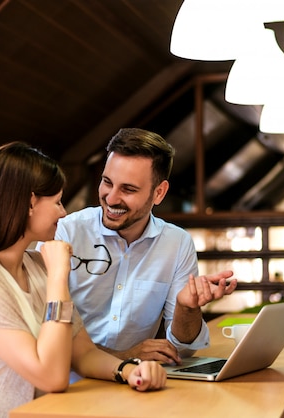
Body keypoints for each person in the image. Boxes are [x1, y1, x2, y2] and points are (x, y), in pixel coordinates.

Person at [0, 142, 166, 418]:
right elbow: (51, 377)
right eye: (57, 201)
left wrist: (129, 370)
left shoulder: (34, 266)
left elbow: (82, 354)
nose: (63, 212)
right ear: (30, 203)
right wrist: (58, 276)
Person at [54, 128, 238, 365]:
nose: (111, 198)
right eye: (107, 182)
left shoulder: (177, 243)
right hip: (70, 382)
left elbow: (183, 349)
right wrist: (123, 357)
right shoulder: (66, 231)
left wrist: (186, 308)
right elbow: (43, 330)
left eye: (128, 189)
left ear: (159, 193)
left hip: (136, 383)